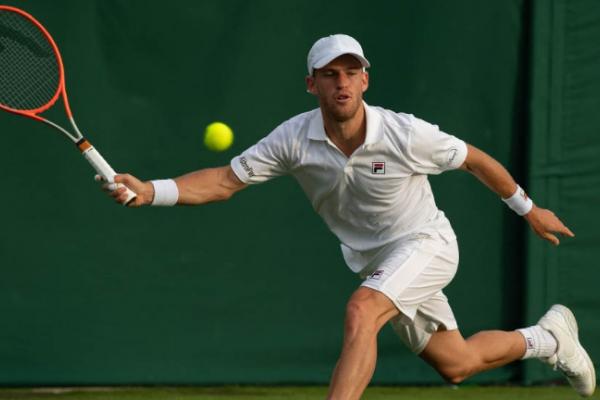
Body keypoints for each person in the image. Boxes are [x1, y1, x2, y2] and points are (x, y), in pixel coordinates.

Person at [101, 34, 595, 399]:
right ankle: (550, 339)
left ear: (365, 79)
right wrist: (150, 191)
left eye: (351, 72)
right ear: (311, 83)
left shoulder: (405, 134)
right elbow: (224, 182)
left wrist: (529, 209)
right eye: (331, 74)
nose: (342, 82)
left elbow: (475, 159)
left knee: (362, 311)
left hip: (426, 243)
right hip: (375, 258)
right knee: (457, 363)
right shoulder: (292, 139)